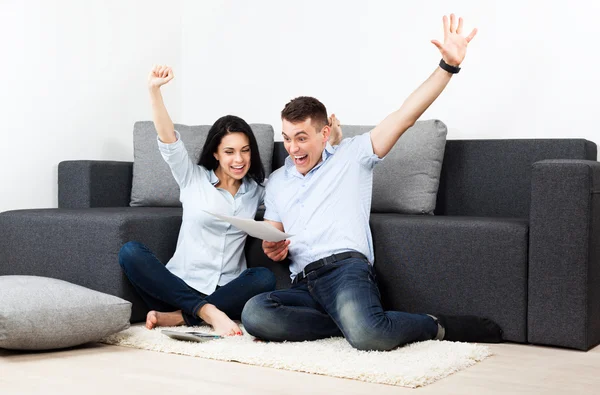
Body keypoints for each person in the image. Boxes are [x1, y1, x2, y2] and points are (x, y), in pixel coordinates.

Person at [241, 14, 504, 350]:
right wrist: (272, 248)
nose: (292, 148)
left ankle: (435, 325)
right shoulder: (278, 181)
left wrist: (447, 66)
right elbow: (273, 237)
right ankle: (350, 321)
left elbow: (404, 115)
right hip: (303, 283)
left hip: (346, 270)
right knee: (255, 313)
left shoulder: (354, 156)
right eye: (287, 138)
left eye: (302, 138)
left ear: (324, 134)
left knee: (368, 336)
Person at [118, 66, 343, 336]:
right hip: (177, 288)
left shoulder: (259, 189)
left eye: (245, 151)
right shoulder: (192, 178)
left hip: (227, 292)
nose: (239, 160)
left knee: (263, 278)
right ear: (215, 153)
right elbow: (168, 139)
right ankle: (205, 312)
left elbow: (300, 178)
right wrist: (154, 91)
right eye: (230, 152)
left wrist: (332, 145)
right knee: (130, 252)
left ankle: (182, 318)